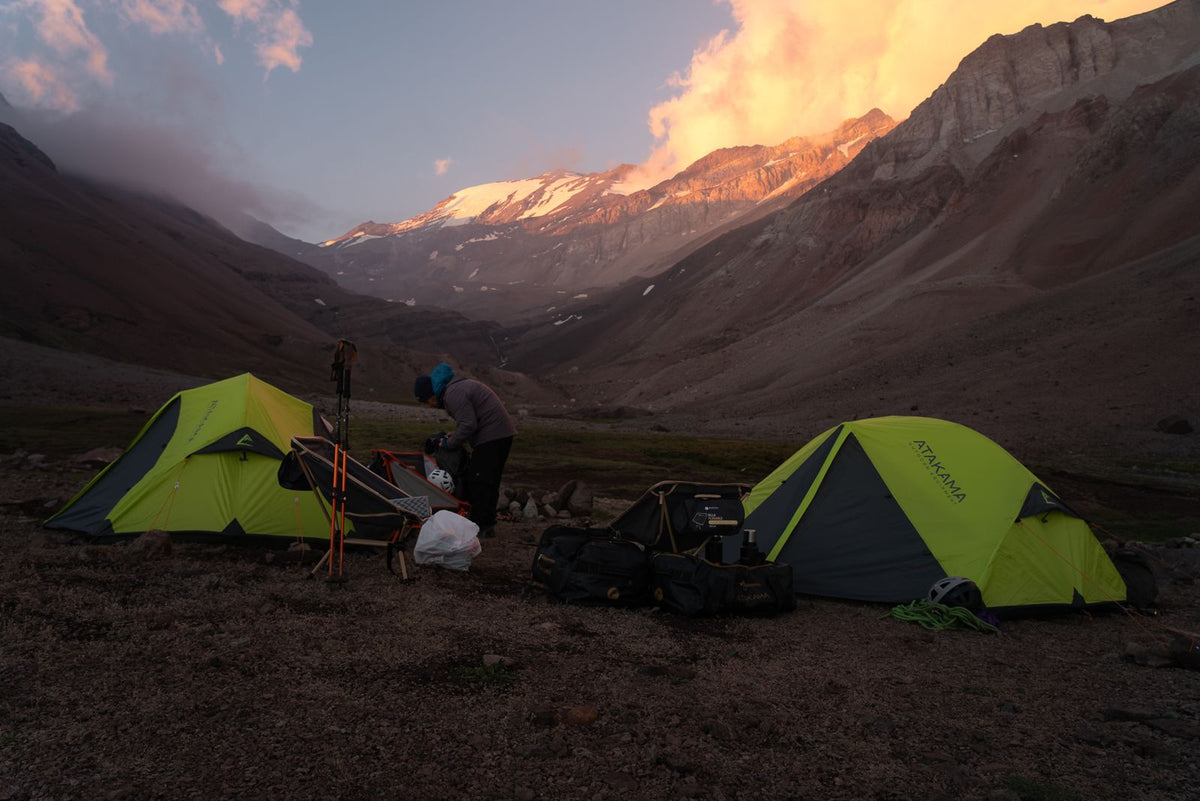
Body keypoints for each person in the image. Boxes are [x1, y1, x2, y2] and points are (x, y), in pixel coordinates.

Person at [414, 362, 516, 538]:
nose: (429, 405)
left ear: (431, 394)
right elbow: (469, 422)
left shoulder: (453, 394)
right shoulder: (456, 388)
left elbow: (469, 424)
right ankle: (487, 524)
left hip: (492, 436)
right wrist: (456, 435)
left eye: (426, 401)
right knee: (489, 480)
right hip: (501, 434)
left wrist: (448, 444)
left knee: (479, 480)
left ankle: (478, 525)